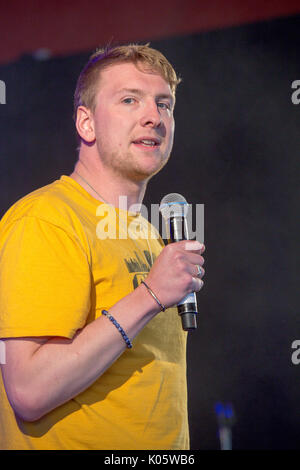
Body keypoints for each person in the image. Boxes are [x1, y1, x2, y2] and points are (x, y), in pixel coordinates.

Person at [0, 43, 205, 450]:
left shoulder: (149, 234)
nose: (154, 117)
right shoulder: (47, 219)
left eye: (164, 104)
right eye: (130, 100)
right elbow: (29, 390)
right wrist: (148, 295)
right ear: (86, 123)